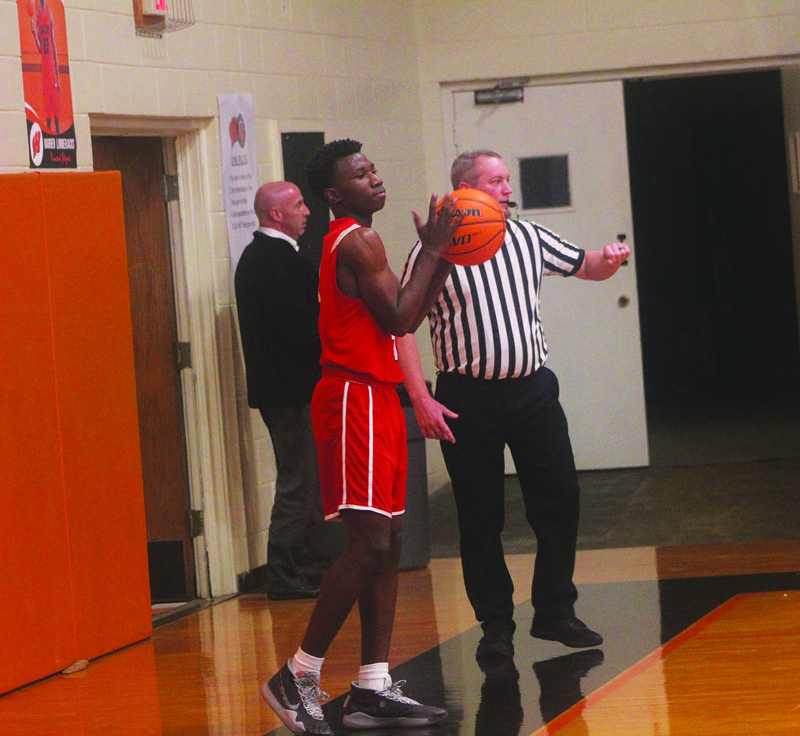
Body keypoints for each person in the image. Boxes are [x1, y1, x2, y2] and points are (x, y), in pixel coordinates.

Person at [260, 139, 463, 734]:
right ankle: (296, 676)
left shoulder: (357, 239)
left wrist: (439, 256)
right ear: (333, 194)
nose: (374, 178)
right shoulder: (355, 237)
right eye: (359, 174)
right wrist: (432, 252)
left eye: (373, 168)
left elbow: (404, 314)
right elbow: (401, 317)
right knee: (369, 544)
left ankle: (373, 685)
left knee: (392, 541)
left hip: (377, 395)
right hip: (351, 396)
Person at [398, 149, 631, 660]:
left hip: (532, 390)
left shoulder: (528, 237)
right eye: (497, 180)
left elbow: (586, 266)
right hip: (464, 397)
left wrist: (609, 262)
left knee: (561, 497)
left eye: (507, 180)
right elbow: (402, 330)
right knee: (479, 515)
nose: (508, 188)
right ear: (467, 191)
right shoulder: (432, 253)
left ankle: (554, 611)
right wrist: (421, 398)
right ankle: (495, 624)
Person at [235, 181, 341, 601]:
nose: (307, 212)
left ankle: (312, 568)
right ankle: (284, 575)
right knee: (298, 483)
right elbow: (298, 331)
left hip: (289, 391)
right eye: (298, 204)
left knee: (310, 481)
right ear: (275, 214)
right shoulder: (272, 260)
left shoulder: (267, 257)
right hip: (292, 393)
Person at [30, 0, 60, 135]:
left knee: (55, 98)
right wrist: (34, 34)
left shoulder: (49, 13)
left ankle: (57, 127)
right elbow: (40, 49)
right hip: (45, 66)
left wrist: (58, 77)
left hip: (52, 66)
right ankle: (48, 127)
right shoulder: (36, 14)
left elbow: (54, 46)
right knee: (46, 98)